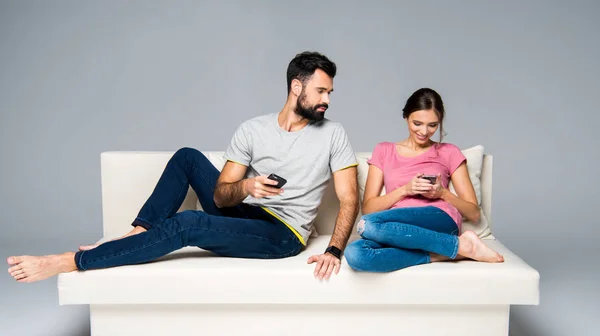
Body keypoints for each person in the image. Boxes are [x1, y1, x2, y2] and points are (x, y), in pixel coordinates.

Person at [7, 51, 359, 283]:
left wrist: (333, 249)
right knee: (187, 156)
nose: (327, 100)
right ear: (297, 87)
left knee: (188, 223)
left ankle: (72, 261)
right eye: (321, 91)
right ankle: (138, 233)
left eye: (330, 92)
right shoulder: (253, 129)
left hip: (283, 234)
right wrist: (248, 188)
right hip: (247, 212)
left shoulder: (333, 134)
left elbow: (348, 199)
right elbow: (222, 198)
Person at [344, 88, 504, 272]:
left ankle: (450, 244)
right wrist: (406, 189)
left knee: (368, 226)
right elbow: (369, 209)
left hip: (439, 218)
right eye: (417, 123)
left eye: (432, 125)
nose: (424, 131)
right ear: (406, 117)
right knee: (356, 253)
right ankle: (455, 249)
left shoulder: (449, 151)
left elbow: (474, 213)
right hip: (399, 228)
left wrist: (442, 193)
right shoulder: (384, 150)